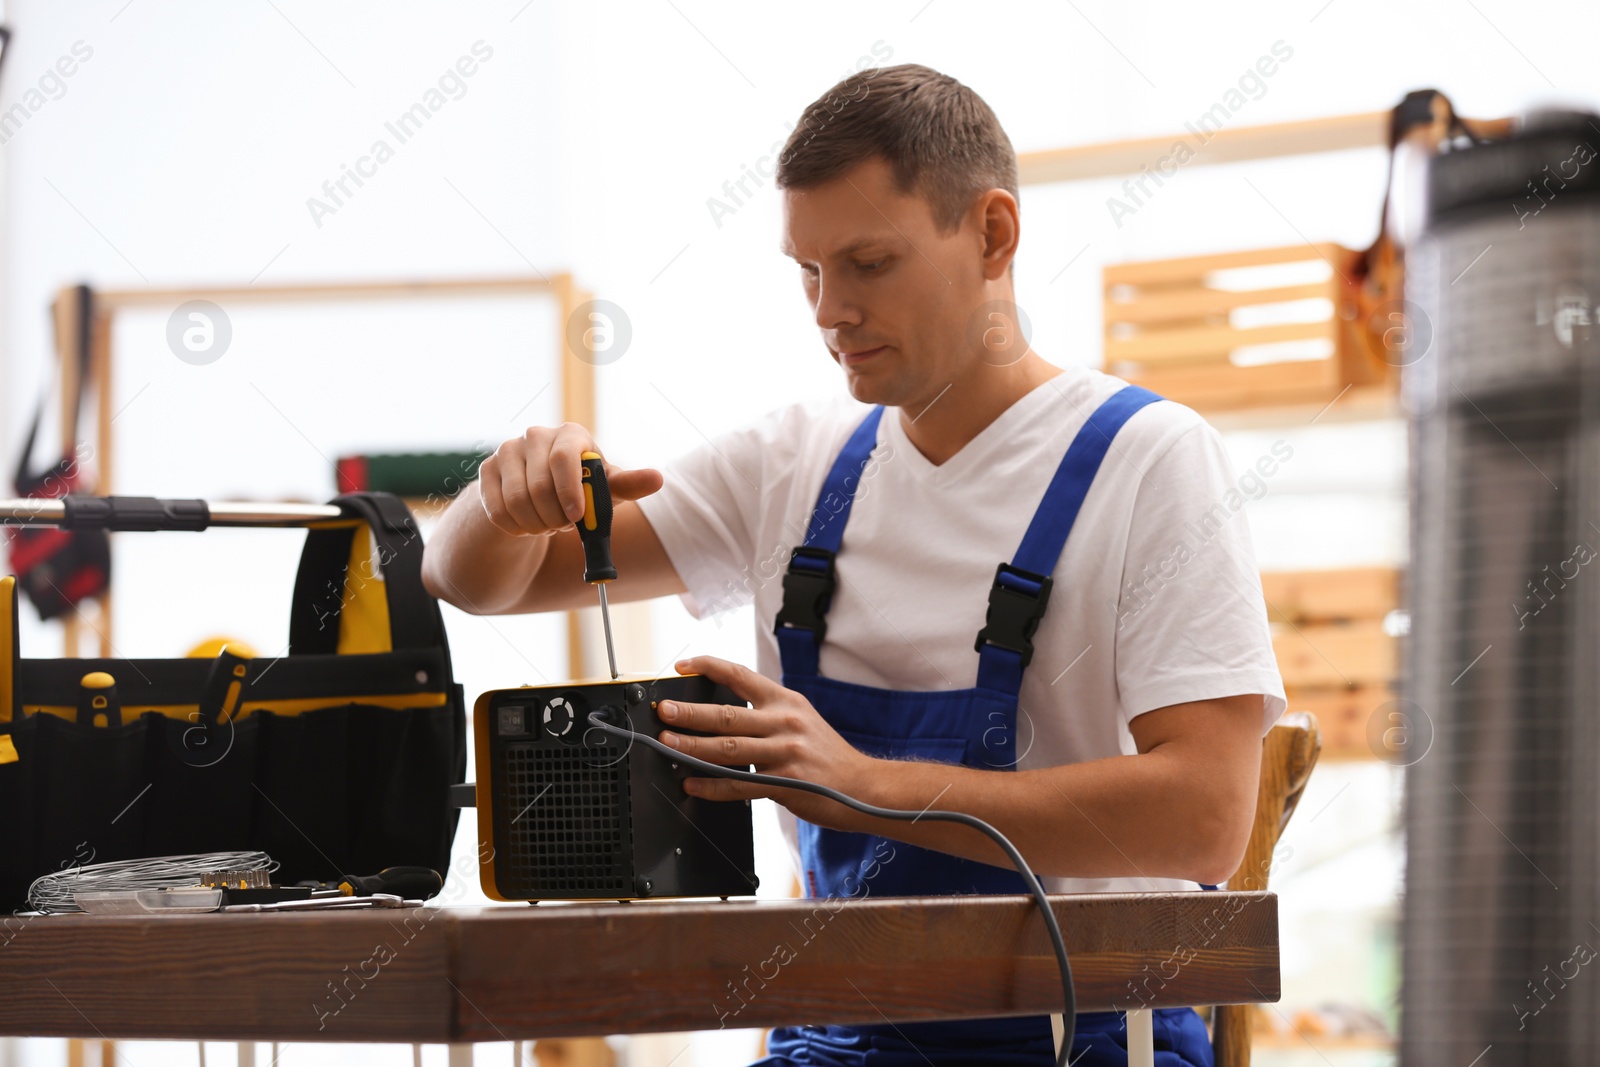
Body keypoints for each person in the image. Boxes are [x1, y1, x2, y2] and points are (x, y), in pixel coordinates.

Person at [422, 63, 1286, 1067]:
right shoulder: (790, 464)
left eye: (870, 262)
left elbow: (1205, 818)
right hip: (835, 1038)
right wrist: (500, 498)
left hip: (1083, 1035)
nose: (829, 310)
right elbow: (476, 580)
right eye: (808, 269)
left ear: (993, 235)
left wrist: (866, 785)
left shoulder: (1147, 461)